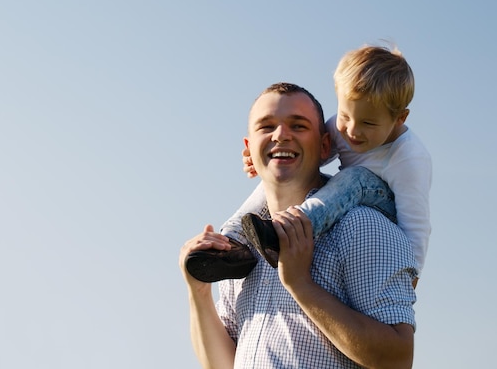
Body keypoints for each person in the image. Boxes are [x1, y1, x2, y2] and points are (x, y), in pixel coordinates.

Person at [179, 82, 417, 368]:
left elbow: (397, 359)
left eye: (298, 126)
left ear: (325, 145)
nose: (281, 135)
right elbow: (222, 365)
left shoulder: (363, 225)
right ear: (249, 148)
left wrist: (300, 284)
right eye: (266, 127)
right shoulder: (239, 250)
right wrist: (199, 291)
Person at [187, 44, 431, 286]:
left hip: (383, 213)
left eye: (368, 123)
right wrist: (270, 157)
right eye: (345, 116)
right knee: (278, 173)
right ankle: (231, 243)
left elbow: (416, 225)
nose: (353, 130)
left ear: (400, 118)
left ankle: (286, 234)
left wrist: (410, 275)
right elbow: (313, 155)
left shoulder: (409, 159)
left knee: (358, 177)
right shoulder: (342, 127)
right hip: (343, 197)